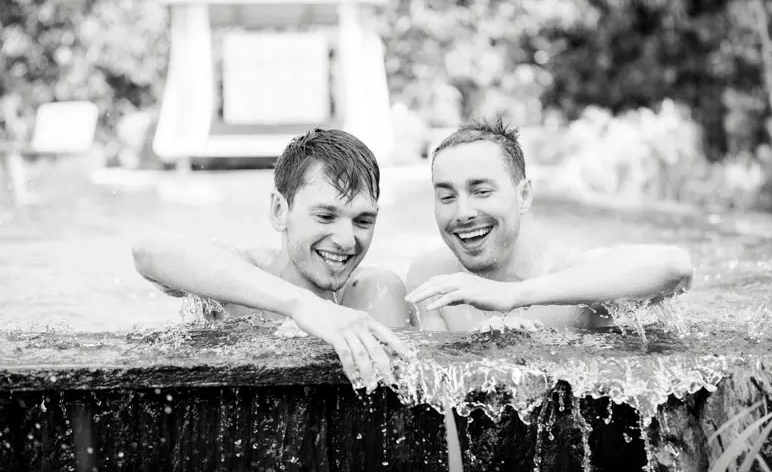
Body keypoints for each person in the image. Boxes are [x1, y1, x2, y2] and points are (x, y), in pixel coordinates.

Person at [132, 129, 412, 388]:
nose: (347, 239)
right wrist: (303, 305)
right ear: (280, 210)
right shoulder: (237, 279)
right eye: (326, 216)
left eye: (363, 221)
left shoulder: (374, 291)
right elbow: (148, 250)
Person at [405, 120, 694, 331]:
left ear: (524, 196)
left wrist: (512, 295)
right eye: (447, 196)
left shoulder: (571, 276)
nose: (463, 212)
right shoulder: (430, 278)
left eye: (481, 191)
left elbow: (675, 266)